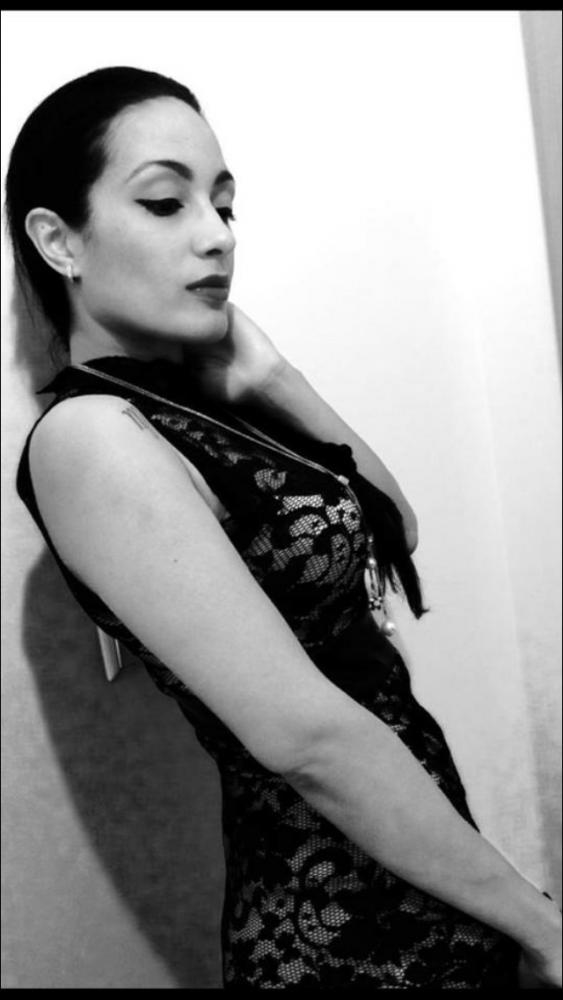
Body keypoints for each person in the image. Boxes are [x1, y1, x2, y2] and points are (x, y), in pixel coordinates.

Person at [6, 66, 561, 990]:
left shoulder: (202, 406)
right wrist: (543, 925)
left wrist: (272, 377)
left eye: (224, 205)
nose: (216, 235)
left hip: (427, 886)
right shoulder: (90, 437)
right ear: (59, 239)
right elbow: (304, 737)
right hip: (339, 936)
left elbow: (394, 523)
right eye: (165, 202)